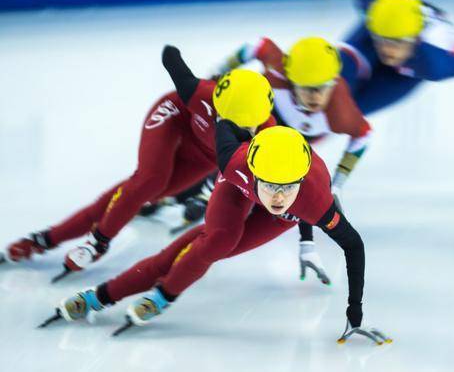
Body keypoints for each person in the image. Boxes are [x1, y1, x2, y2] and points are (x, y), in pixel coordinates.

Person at [51, 104, 390, 343]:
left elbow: (353, 245)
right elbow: (223, 123)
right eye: (270, 184)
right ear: (255, 172)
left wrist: (353, 310)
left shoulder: (316, 200)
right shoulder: (235, 163)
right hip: (237, 190)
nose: (277, 196)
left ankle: (162, 293)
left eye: (287, 186)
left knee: (212, 249)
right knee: (213, 242)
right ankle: (104, 296)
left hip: (284, 205)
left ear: (301, 182)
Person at [1, 48, 275, 280]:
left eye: (244, 126)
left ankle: (45, 238)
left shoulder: (267, 137)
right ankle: (99, 241)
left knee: (144, 194)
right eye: (226, 119)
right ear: (217, 103)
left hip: (204, 154)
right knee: (149, 181)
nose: (232, 128)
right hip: (174, 117)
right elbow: (170, 56)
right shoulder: (200, 93)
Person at [145, 37, 374, 285]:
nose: (314, 97)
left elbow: (364, 136)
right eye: (305, 87)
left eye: (322, 88)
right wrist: (217, 81)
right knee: (225, 158)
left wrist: (338, 182)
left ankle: (198, 197)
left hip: (291, 145)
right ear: (289, 77)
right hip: (264, 121)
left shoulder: (341, 113)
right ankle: (181, 195)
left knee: (264, 181)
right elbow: (254, 47)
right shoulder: (278, 69)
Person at [339, 0, 454, 115]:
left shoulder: (435, 63)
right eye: (382, 41)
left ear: (417, 39)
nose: (387, 50)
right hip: (372, 34)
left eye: (397, 43)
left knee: (348, 113)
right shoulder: (371, 3)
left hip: (411, 65)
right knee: (333, 86)